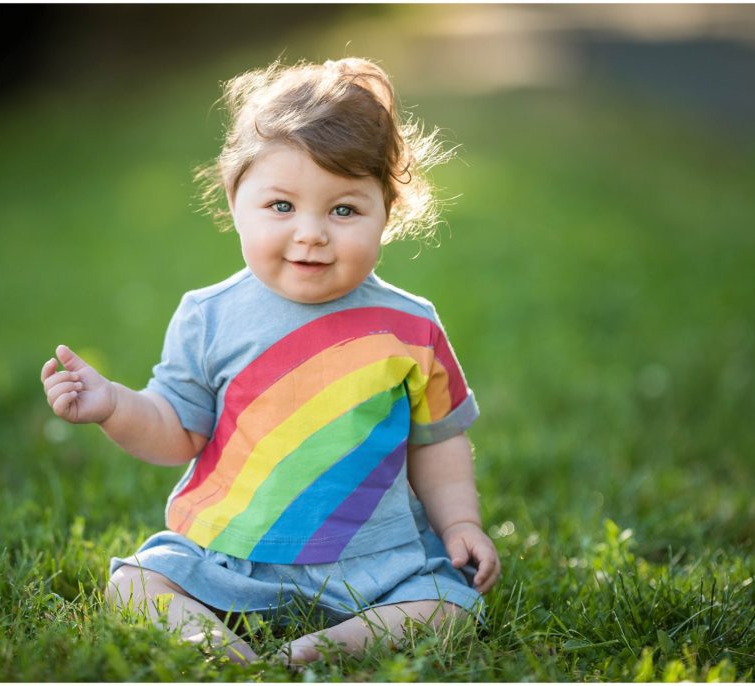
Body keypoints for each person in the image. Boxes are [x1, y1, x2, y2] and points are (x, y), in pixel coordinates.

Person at [40, 57, 501, 666]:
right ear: (236, 202)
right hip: (233, 557)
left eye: (343, 210)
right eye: (281, 206)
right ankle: (229, 655)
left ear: (387, 213)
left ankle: (323, 649)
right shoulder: (209, 316)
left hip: (375, 562)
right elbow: (178, 431)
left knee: (452, 605)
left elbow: (437, 440)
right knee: (134, 583)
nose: (310, 233)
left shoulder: (411, 326)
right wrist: (114, 406)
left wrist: (461, 523)